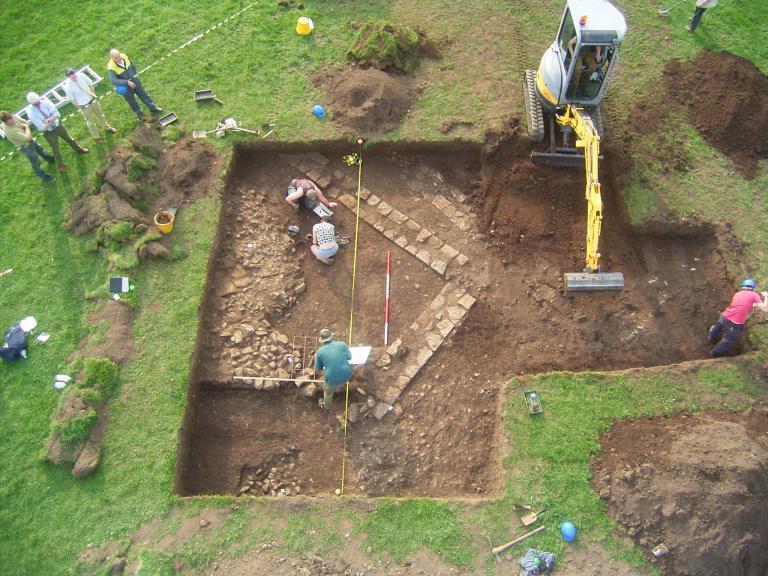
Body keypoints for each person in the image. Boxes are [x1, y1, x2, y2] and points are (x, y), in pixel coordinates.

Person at [26, 92, 88, 173]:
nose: (38, 104)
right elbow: (42, 127)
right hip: (48, 132)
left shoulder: (45, 103)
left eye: (38, 102)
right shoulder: (31, 112)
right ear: (31, 103)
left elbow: (57, 114)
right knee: (55, 148)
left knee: (69, 139)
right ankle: (60, 165)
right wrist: (52, 118)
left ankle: (79, 149)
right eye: (35, 104)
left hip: (58, 126)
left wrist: (48, 120)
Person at [708, 279, 768, 356]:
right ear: (753, 288)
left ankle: (711, 337)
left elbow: (742, 304)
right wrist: (766, 296)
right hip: (736, 323)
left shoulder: (737, 294)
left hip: (725, 316)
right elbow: (766, 309)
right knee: (728, 338)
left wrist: (755, 302)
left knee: (718, 326)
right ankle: (715, 353)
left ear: (743, 287)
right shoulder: (754, 295)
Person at [64, 67, 116, 144]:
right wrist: (80, 107)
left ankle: (107, 127)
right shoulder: (68, 86)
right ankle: (97, 137)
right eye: (71, 76)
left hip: (92, 100)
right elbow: (72, 100)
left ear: (75, 73)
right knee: (90, 123)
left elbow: (90, 85)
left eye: (74, 75)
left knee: (101, 115)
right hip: (84, 106)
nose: (74, 77)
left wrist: (94, 95)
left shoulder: (81, 75)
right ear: (68, 77)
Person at [107, 49, 162, 121]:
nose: (118, 59)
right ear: (112, 58)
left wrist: (134, 75)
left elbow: (132, 65)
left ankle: (153, 107)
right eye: (116, 58)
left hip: (134, 80)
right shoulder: (111, 67)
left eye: (118, 56)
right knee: (131, 101)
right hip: (125, 87)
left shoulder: (124, 56)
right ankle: (140, 114)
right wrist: (127, 82)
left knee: (143, 93)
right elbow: (114, 81)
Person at [1, 111, 56, 182]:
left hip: (29, 140)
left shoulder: (12, 116)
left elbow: (24, 121)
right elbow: (28, 137)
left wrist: (25, 129)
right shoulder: (10, 131)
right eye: (10, 121)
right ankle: (44, 177)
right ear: (5, 122)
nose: (13, 121)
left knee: (40, 149)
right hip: (25, 147)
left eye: (12, 118)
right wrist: (26, 128)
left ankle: (50, 159)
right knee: (35, 162)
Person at [314, 328, 352, 411]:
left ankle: (326, 407)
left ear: (322, 340)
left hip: (332, 379)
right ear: (331, 336)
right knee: (345, 372)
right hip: (347, 375)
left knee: (328, 392)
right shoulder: (342, 344)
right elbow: (349, 357)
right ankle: (346, 382)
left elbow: (318, 368)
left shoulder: (319, 352)